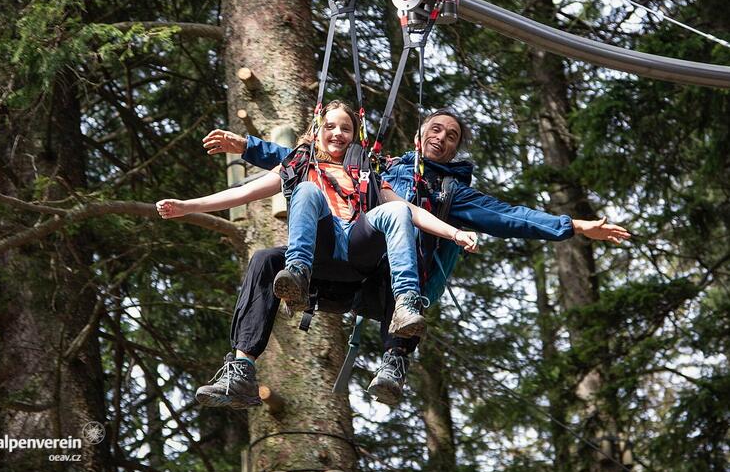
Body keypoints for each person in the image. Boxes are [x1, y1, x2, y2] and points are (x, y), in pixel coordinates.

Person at [202, 107, 631, 405]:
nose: (441, 138)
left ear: (455, 149)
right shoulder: (380, 168)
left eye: (452, 136)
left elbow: (509, 216)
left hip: (387, 286)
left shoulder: (450, 193)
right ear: (418, 134)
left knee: (399, 253)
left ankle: (395, 360)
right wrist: (248, 147)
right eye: (436, 129)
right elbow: (308, 161)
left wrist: (571, 225)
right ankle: (240, 371)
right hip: (338, 265)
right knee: (264, 261)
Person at [156, 100, 479, 409]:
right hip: (316, 257)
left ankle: (404, 313)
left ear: (355, 136)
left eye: (346, 129)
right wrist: (188, 206)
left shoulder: (367, 170)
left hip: (356, 252)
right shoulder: (299, 164)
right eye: (330, 127)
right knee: (269, 254)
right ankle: (242, 370)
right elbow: (243, 192)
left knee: (394, 211)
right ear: (317, 130)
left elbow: (408, 210)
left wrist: (454, 233)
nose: (338, 134)